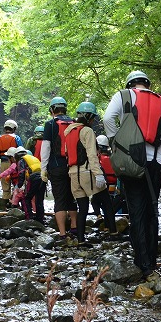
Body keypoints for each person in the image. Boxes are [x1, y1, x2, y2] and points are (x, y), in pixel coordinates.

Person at [103, 71, 161, 277]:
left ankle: (142, 262)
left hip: (132, 160)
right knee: (152, 208)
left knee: (136, 210)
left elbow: (108, 118)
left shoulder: (123, 95)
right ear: (147, 84)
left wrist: (115, 141)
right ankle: (152, 260)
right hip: (157, 161)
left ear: (130, 84)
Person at [63, 102, 112, 244]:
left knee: (83, 206)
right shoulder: (87, 131)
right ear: (88, 116)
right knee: (106, 200)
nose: (93, 121)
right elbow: (91, 154)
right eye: (92, 118)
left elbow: (67, 153)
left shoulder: (68, 131)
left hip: (73, 173)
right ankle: (113, 231)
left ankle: (81, 239)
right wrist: (98, 174)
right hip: (86, 171)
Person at [40, 97, 78, 240]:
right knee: (72, 197)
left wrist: (43, 168)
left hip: (56, 166)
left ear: (52, 110)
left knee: (60, 199)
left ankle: (62, 233)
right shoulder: (74, 123)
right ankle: (74, 227)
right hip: (73, 165)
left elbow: (46, 147)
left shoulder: (50, 124)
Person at [13, 146, 46, 224]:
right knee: (39, 199)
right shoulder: (33, 158)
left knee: (26, 198)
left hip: (33, 178)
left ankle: (29, 218)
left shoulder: (22, 161)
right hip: (42, 177)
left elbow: (21, 173)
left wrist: (20, 185)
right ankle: (40, 219)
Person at [0, 119, 23, 201]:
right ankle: (16, 202)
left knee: (5, 185)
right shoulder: (17, 138)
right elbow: (21, 151)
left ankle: (6, 201)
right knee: (17, 183)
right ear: (14, 129)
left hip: (3, 163)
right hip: (15, 163)